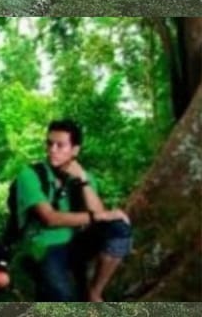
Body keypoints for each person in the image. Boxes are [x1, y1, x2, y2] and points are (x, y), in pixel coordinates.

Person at [15, 120, 133, 302]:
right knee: (64, 297)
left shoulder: (85, 177)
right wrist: (100, 215)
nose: (53, 149)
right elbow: (50, 218)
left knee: (118, 230)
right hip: (45, 247)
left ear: (74, 150)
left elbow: (100, 218)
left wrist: (83, 181)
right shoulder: (30, 175)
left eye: (60, 145)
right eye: (49, 143)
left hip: (77, 244)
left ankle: (95, 292)